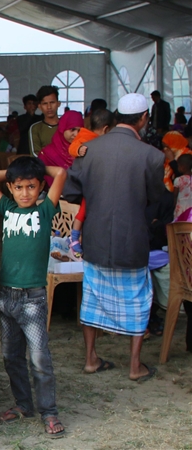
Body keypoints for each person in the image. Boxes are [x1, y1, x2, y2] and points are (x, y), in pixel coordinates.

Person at [63, 93, 164, 384]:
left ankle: (91, 358)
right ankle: (135, 365)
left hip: (95, 236)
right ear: (144, 118)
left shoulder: (89, 149)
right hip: (132, 238)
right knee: (138, 298)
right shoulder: (152, 155)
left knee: (92, 297)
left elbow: (71, 192)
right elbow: (156, 199)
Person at [0, 156, 66, 437]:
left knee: (39, 358)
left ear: (41, 186)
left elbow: (61, 172)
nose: (25, 193)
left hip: (33, 297)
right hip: (7, 296)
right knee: (11, 356)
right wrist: (16, 172)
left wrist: (34, 169)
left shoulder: (45, 210)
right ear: (10, 188)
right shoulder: (6, 208)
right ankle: (23, 404)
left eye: (31, 186)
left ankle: (49, 412)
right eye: (18, 187)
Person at [66, 108, 114, 256]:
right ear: (106, 129)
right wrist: (78, 150)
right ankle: (74, 237)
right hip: (89, 184)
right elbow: (72, 147)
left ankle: (75, 237)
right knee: (84, 210)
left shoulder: (91, 136)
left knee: (85, 210)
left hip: (90, 183)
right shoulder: (87, 137)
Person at [38, 110, 82, 185]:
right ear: (62, 128)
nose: (76, 134)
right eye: (72, 129)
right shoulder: (47, 154)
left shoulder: (83, 149)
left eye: (79, 130)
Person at [28, 86, 61, 157]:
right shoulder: (35, 128)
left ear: (58, 104)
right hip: (45, 167)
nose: (49, 107)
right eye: (45, 103)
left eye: (52, 102)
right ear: (39, 106)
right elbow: (35, 154)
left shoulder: (67, 126)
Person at [173, 154, 192, 219]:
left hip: (181, 209)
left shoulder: (178, 180)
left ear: (182, 167)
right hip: (191, 209)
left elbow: (175, 195)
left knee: (180, 226)